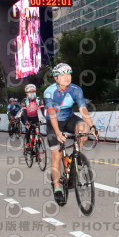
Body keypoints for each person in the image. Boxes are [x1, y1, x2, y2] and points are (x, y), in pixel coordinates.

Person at [44, 63, 98, 204]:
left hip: (68, 118)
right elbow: (52, 115)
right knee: (56, 154)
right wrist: (58, 133)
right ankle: (57, 188)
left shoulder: (76, 89)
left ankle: (76, 156)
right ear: (56, 78)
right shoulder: (49, 92)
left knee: (84, 129)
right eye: (63, 75)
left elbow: (83, 109)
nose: (67, 77)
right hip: (54, 122)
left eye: (69, 74)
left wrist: (92, 126)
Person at [21, 84, 44, 148]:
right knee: (28, 129)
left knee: (37, 127)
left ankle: (38, 138)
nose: (32, 93)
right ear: (26, 93)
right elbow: (24, 112)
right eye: (30, 92)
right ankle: (28, 143)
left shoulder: (39, 99)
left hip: (35, 116)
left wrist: (46, 118)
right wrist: (26, 121)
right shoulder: (24, 101)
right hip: (26, 116)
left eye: (33, 91)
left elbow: (42, 110)